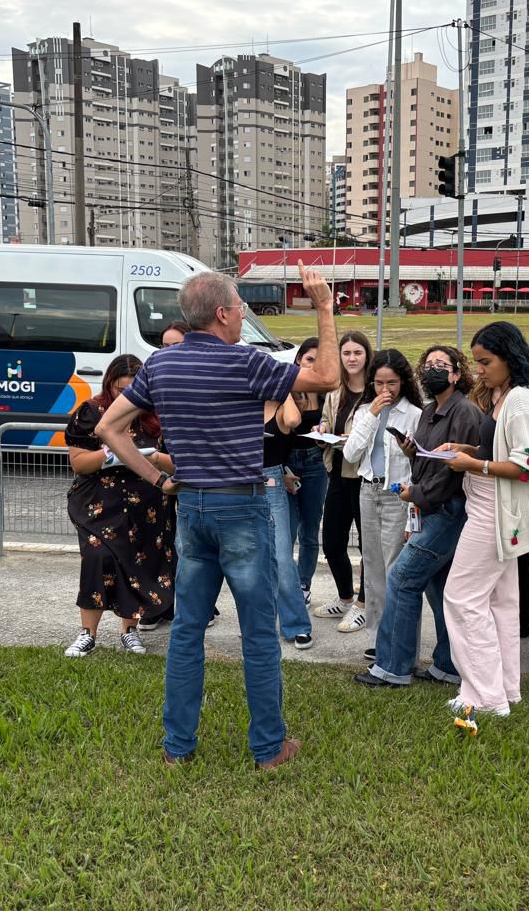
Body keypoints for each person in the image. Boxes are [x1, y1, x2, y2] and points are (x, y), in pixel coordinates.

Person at [96, 263, 339, 770]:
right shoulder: (245, 362)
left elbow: (109, 428)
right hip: (242, 506)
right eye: (241, 307)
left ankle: (177, 748)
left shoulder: (160, 365)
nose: (244, 314)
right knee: (256, 631)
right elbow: (328, 377)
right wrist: (322, 307)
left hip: (192, 507)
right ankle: (269, 747)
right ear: (224, 313)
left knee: (187, 629)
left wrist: (160, 480)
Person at [439, 322, 529, 733]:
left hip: (494, 512)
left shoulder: (521, 401)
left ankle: (484, 696)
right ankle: (502, 690)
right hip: (491, 507)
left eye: (486, 362)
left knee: (463, 598)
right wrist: (466, 450)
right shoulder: (506, 396)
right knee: (500, 602)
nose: (479, 370)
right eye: (477, 362)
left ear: (510, 357)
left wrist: (475, 465)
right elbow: (499, 450)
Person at [355, 345, 482, 688]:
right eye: (428, 365)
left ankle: (393, 666)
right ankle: (448, 666)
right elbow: (428, 463)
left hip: (447, 511)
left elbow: (454, 473)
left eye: (442, 365)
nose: (434, 370)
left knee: (401, 578)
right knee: (438, 587)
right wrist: (412, 455)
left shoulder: (464, 413)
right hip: (428, 509)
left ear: (457, 373)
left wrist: (417, 496)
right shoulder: (429, 412)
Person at [61, 354, 177, 658]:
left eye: (132, 390)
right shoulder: (91, 412)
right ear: (109, 384)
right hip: (98, 502)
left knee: (138, 563)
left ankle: (129, 631)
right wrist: (112, 452)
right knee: (97, 556)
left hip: (147, 504)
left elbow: (176, 462)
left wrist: (148, 458)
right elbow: (80, 463)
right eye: (119, 389)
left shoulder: (155, 415)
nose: (124, 396)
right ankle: (88, 633)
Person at [341, 348, 423, 645]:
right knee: (371, 567)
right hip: (367, 490)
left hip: (397, 496)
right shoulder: (365, 411)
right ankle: (377, 639)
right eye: (378, 383)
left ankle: (399, 642)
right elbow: (350, 454)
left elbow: (419, 467)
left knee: (394, 570)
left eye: (391, 383)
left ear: (403, 382)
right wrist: (372, 413)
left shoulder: (414, 414)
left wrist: (413, 509)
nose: (385, 390)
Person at [312, 331, 372, 623]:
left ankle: (363, 605)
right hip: (336, 472)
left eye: (357, 353)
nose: (351, 358)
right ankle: (345, 596)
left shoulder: (375, 394)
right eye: (346, 353)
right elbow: (325, 419)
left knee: (367, 546)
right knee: (333, 542)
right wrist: (323, 432)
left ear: (367, 356)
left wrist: (355, 438)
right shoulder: (335, 391)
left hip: (364, 476)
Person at [262, 389, 314, 649]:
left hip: (271, 484)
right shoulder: (245, 401)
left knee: (282, 556)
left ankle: (296, 625)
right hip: (241, 481)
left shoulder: (283, 406)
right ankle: (259, 624)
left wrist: (283, 389)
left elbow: (293, 421)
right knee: (250, 560)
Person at [286, 338, 329, 604]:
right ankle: (288, 585)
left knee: (310, 530)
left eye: (319, 361)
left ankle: (303, 584)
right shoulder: (287, 389)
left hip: (316, 462)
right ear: (299, 359)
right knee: (287, 532)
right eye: (310, 359)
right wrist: (282, 470)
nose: (314, 365)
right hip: (288, 464)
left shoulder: (328, 394)